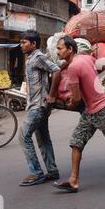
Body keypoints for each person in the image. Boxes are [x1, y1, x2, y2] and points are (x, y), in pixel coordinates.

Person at [51, 36, 105, 193]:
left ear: (70, 49)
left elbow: (77, 98)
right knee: (77, 141)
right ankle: (73, 180)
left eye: (60, 48)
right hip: (90, 111)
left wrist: (70, 102)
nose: (57, 51)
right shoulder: (86, 58)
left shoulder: (73, 68)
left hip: (102, 110)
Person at [18, 30, 61, 186]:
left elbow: (56, 70)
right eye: (21, 42)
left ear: (34, 44)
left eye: (24, 42)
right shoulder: (30, 58)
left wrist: (51, 95)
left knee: (23, 136)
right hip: (35, 104)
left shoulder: (38, 57)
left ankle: (36, 173)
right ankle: (52, 170)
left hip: (38, 106)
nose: (21, 45)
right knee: (43, 138)